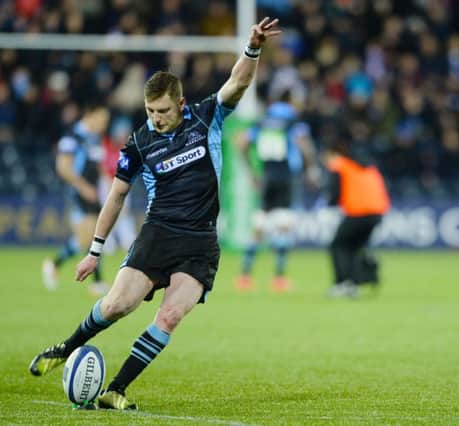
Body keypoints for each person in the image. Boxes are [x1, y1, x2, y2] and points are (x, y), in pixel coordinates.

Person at [29, 17, 281, 410]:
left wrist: (252, 48)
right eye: (150, 110)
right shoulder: (139, 143)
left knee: (170, 317)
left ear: (180, 103)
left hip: (200, 243)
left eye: (162, 110)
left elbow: (239, 82)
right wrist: (95, 250)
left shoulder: (205, 117)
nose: (156, 118)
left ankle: (115, 390)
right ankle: (65, 347)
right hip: (158, 234)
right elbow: (114, 197)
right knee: (116, 305)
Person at [234, 90, 318, 292]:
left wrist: (251, 171)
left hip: (267, 176)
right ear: (290, 102)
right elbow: (304, 147)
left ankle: (245, 276)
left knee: (260, 225)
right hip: (287, 178)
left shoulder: (263, 121)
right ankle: (279, 278)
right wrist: (310, 170)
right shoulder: (293, 122)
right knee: (284, 226)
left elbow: (241, 141)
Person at [41, 103, 111, 297]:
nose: (103, 124)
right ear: (89, 114)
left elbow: (97, 166)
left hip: (93, 193)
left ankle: (55, 265)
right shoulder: (72, 137)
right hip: (79, 194)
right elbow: (62, 167)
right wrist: (83, 187)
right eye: (101, 119)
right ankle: (95, 282)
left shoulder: (94, 139)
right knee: (90, 238)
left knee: (90, 238)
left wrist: (107, 181)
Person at [325, 133, 390, 298]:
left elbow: (334, 192)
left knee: (337, 245)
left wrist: (329, 203)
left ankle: (341, 283)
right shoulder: (366, 165)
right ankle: (354, 284)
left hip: (358, 211)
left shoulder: (340, 164)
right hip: (377, 212)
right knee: (354, 247)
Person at [99, 115, 137, 254]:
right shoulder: (106, 144)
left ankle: (128, 240)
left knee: (124, 213)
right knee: (108, 210)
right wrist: (109, 184)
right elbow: (101, 166)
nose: (124, 136)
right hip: (105, 182)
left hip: (122, 182)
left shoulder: (127, 149)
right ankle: (107, 243)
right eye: (122, 133)